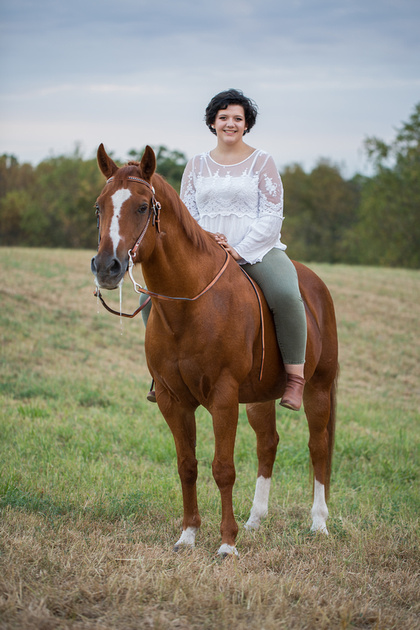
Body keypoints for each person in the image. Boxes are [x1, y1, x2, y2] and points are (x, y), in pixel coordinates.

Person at [144, 89, 307, 411]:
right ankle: (161, 372)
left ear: (247, 125)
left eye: (237, 118)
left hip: (256, 250)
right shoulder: (197, 165)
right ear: (212, 123)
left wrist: (240, 250)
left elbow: (273, 214)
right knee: (148, 299)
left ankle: (294, 378)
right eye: (223, 118)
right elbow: (185, 217)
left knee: (287, 295)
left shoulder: (263, 162)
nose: (230, 124)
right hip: (206, 253)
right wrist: (206, 239)